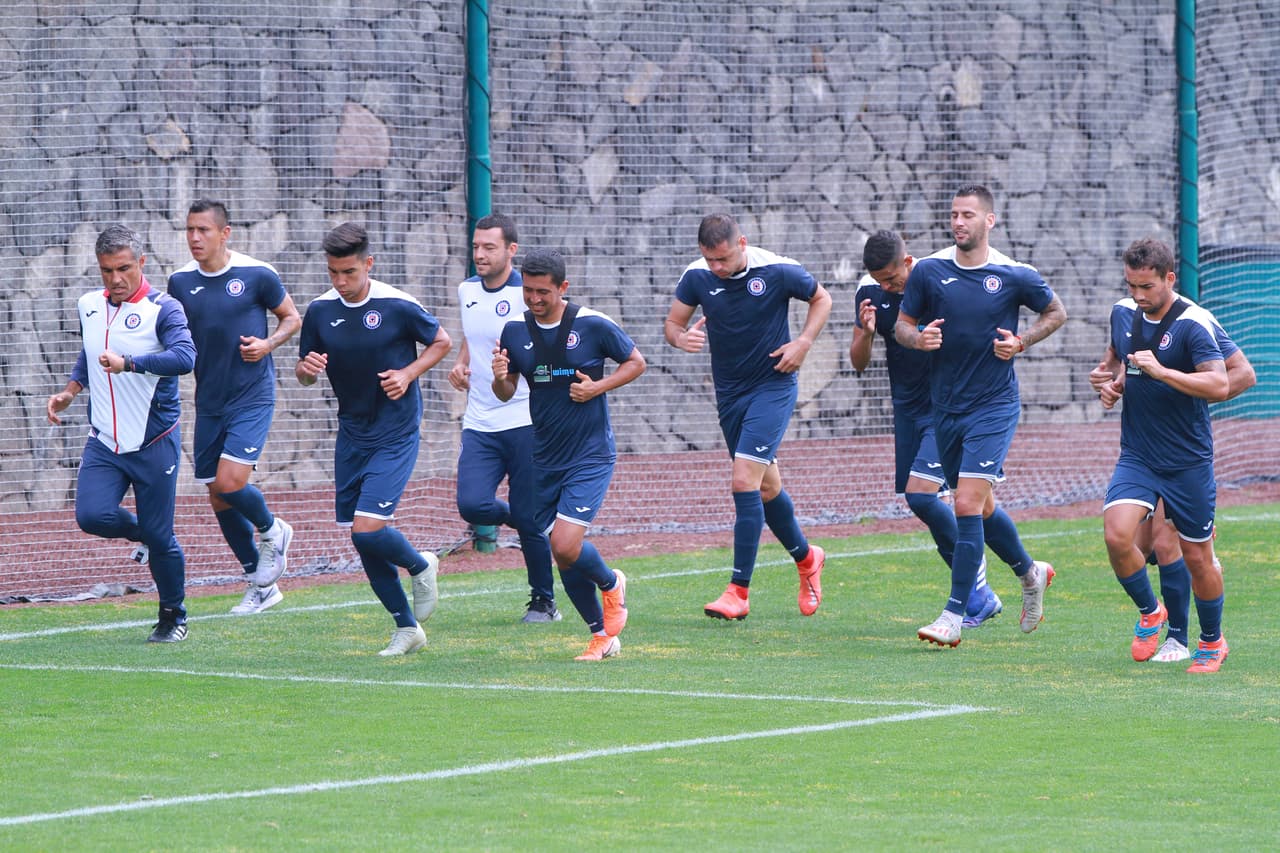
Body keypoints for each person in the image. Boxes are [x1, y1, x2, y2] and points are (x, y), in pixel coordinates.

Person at [895, 184, 1066, 647]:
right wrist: (918, 339)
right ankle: (1030, 573)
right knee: (983, 506)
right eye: (954, 214)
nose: (958, 222)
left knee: (966, 503)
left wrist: (1022, 342)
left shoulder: (1014, 274)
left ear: (990, 220)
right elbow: (902, 327)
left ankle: (955, 614)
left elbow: (1055, 311)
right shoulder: (929, 271)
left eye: (968, 214)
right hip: (945, 409)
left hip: (993, 407)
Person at [665, 213, 832, 621]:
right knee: (765, 488)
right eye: (710, 261)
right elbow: (673, 323)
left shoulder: (775, 269)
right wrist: (680, 338)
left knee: (743, 480)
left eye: (722, 259)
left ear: (741, 242)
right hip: (730, 394)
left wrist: (803, 343)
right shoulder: (696, 276)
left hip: (774, 386)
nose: (716, 269)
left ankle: (738, 591)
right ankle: (808, 558)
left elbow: (821, 298)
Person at [295, 223, 451, 656]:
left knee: (368, 530)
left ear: (368, 264)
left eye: (348, 272)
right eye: (333, 273)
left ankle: (420, 564)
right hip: (352, 432)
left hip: (396, 431)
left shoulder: (398, 305)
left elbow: (441, 341)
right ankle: (407, 627)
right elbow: (304, 373)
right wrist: (306, 371)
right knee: (360, 535)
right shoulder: (320, 311)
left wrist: (408, 373)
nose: (340, 282)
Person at [491, 248, 645, 660]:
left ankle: (611, 584)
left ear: (563, 288)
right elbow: (506, 391)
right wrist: (499, 378)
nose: (535, 299)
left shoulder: (593, 325)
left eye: (543, 291)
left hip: (589, 454)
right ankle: (601, 636)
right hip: (544, 456)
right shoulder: (514, 331)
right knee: (562, 554)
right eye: (528, 290)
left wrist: (597, 387)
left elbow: (636, 362)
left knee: (565, 541)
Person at [46, 225, 196, 642]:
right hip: (105, 441)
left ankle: (173, 618)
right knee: (91, 516)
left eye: (124, 268)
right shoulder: (89, 305)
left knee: (163, 539)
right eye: (107, 269)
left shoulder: (164, 309)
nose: (115, 279)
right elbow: (90, 352)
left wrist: (129, 363)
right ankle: (144, 533)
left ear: (141, 263)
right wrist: (70, 391)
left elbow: (185, 357)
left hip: (154, 441)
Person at [1092, 238, 1236, 672]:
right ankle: (1152, 612)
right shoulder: (1124, 313)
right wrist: (1112, 385)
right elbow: (1121, 362)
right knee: (1117, 536)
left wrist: (1163, 372)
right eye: (1132, 285)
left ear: (1169, 278)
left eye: (1147, 287)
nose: (1138, 295)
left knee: (1198, 557)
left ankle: (1211, 642)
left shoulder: (1193, 324)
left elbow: (1221, 384)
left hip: (1188, 461)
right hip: (1137, 455)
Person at [851, 230, 1002, 627]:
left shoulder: (938, 281)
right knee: (973, 506)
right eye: (881, 280)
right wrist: (866, 334)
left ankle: (977, 589)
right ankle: (1026, 572)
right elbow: (859, 362)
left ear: (908, 260)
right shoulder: (870, 294)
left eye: (892, 277)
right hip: (908, 409)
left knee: (923, 496)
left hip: (947, 407)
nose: (889, 286)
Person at [168, 199, 301, 615]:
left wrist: (267, 344)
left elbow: (292, 318)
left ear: (225, 234)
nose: (194, 238)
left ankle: (273, 529)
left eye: (203, 230)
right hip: (208, 401)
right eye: (190, 229)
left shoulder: (257, 274)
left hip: (252, 396)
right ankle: (260, 587)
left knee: (230, 482)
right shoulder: (179, 282)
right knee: (217, 496)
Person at [447, 213, 559, 623]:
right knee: (472, 503)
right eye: (476, 246)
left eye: (489, 247)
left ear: (512, 250)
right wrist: (461, 366)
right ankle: (533, 521)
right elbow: (472, 336)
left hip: (526, 420)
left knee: (530, 518)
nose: (480, 254)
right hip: (480, 421)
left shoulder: (530, 296)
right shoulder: (467, 290)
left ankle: (543, 601)